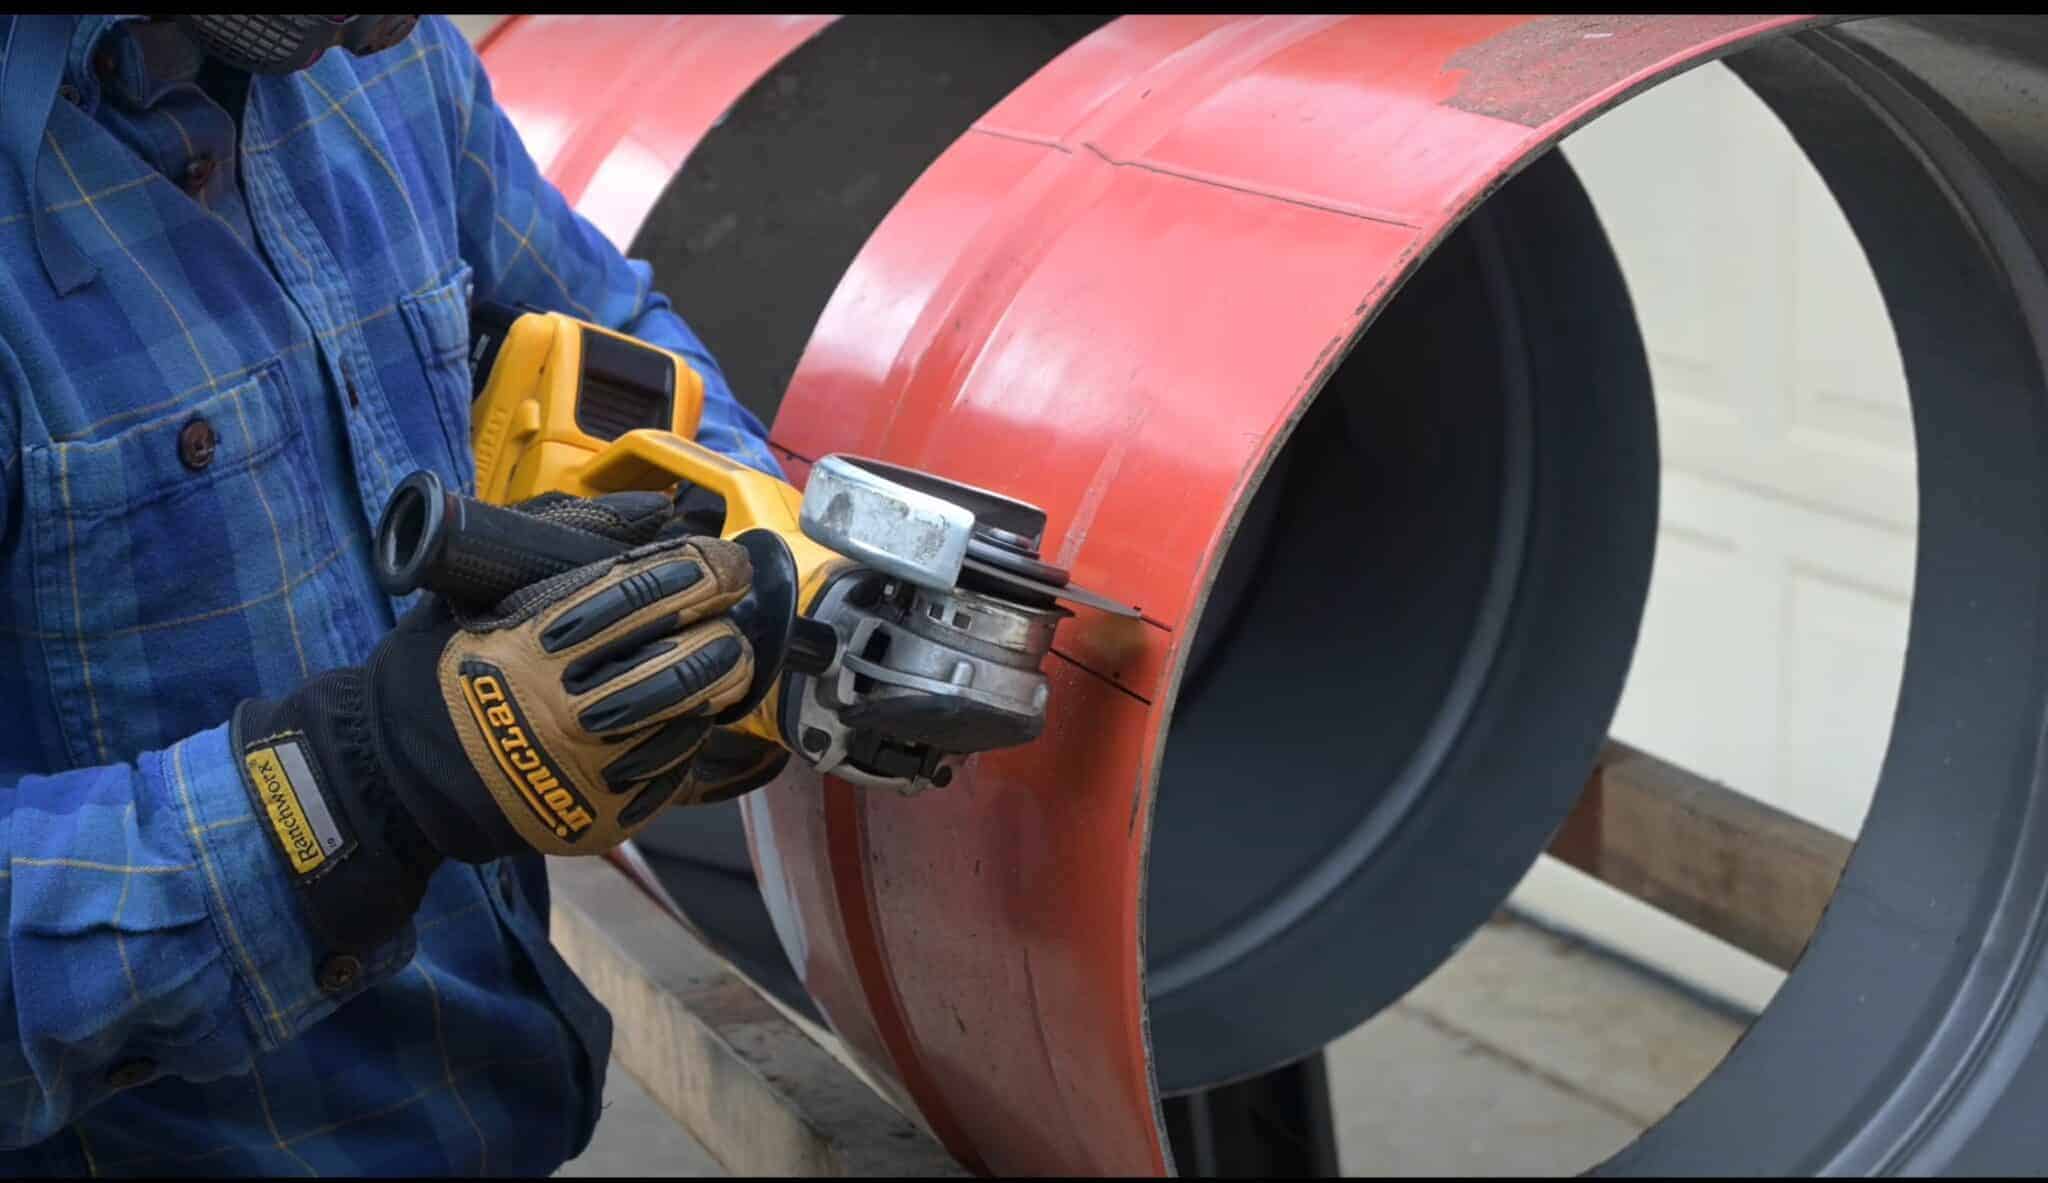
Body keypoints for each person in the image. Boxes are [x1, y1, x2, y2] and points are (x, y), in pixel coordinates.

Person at [0, 14, 788, 1174]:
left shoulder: (387, 65)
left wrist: (743, 544)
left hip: (505, 1113)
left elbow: (609, 334)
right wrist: (353, 793)